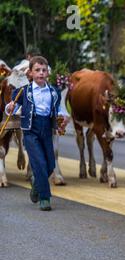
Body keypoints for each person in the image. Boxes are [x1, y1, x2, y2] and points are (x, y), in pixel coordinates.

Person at [5, 56, 69, 211]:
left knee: (50, 164)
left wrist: (63, 116)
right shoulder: (22, 92)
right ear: (31, 73)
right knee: (39, 163)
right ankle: (45, 198)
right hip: (30, 130)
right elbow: (10, 108)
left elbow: (58, 110)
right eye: (37, 70)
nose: (41, 73)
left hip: (47, 129)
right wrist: (10, 107)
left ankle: (36, 185)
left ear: (48, 73)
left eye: (44, 70)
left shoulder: (54, 92)